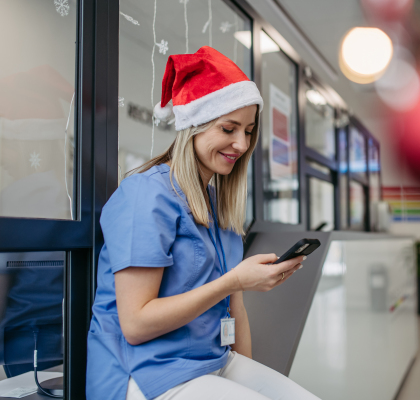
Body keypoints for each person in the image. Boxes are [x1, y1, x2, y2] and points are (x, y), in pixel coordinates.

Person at [87, 47, 320, 400]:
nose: (241, 144)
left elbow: (235, 310)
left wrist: (247, 376)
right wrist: (233, 281)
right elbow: (135, 324)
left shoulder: (216, 204)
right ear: (193, 126)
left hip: (212, 359)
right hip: (145, 371)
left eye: (249, 131)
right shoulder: (146, 196)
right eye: (229, 128)